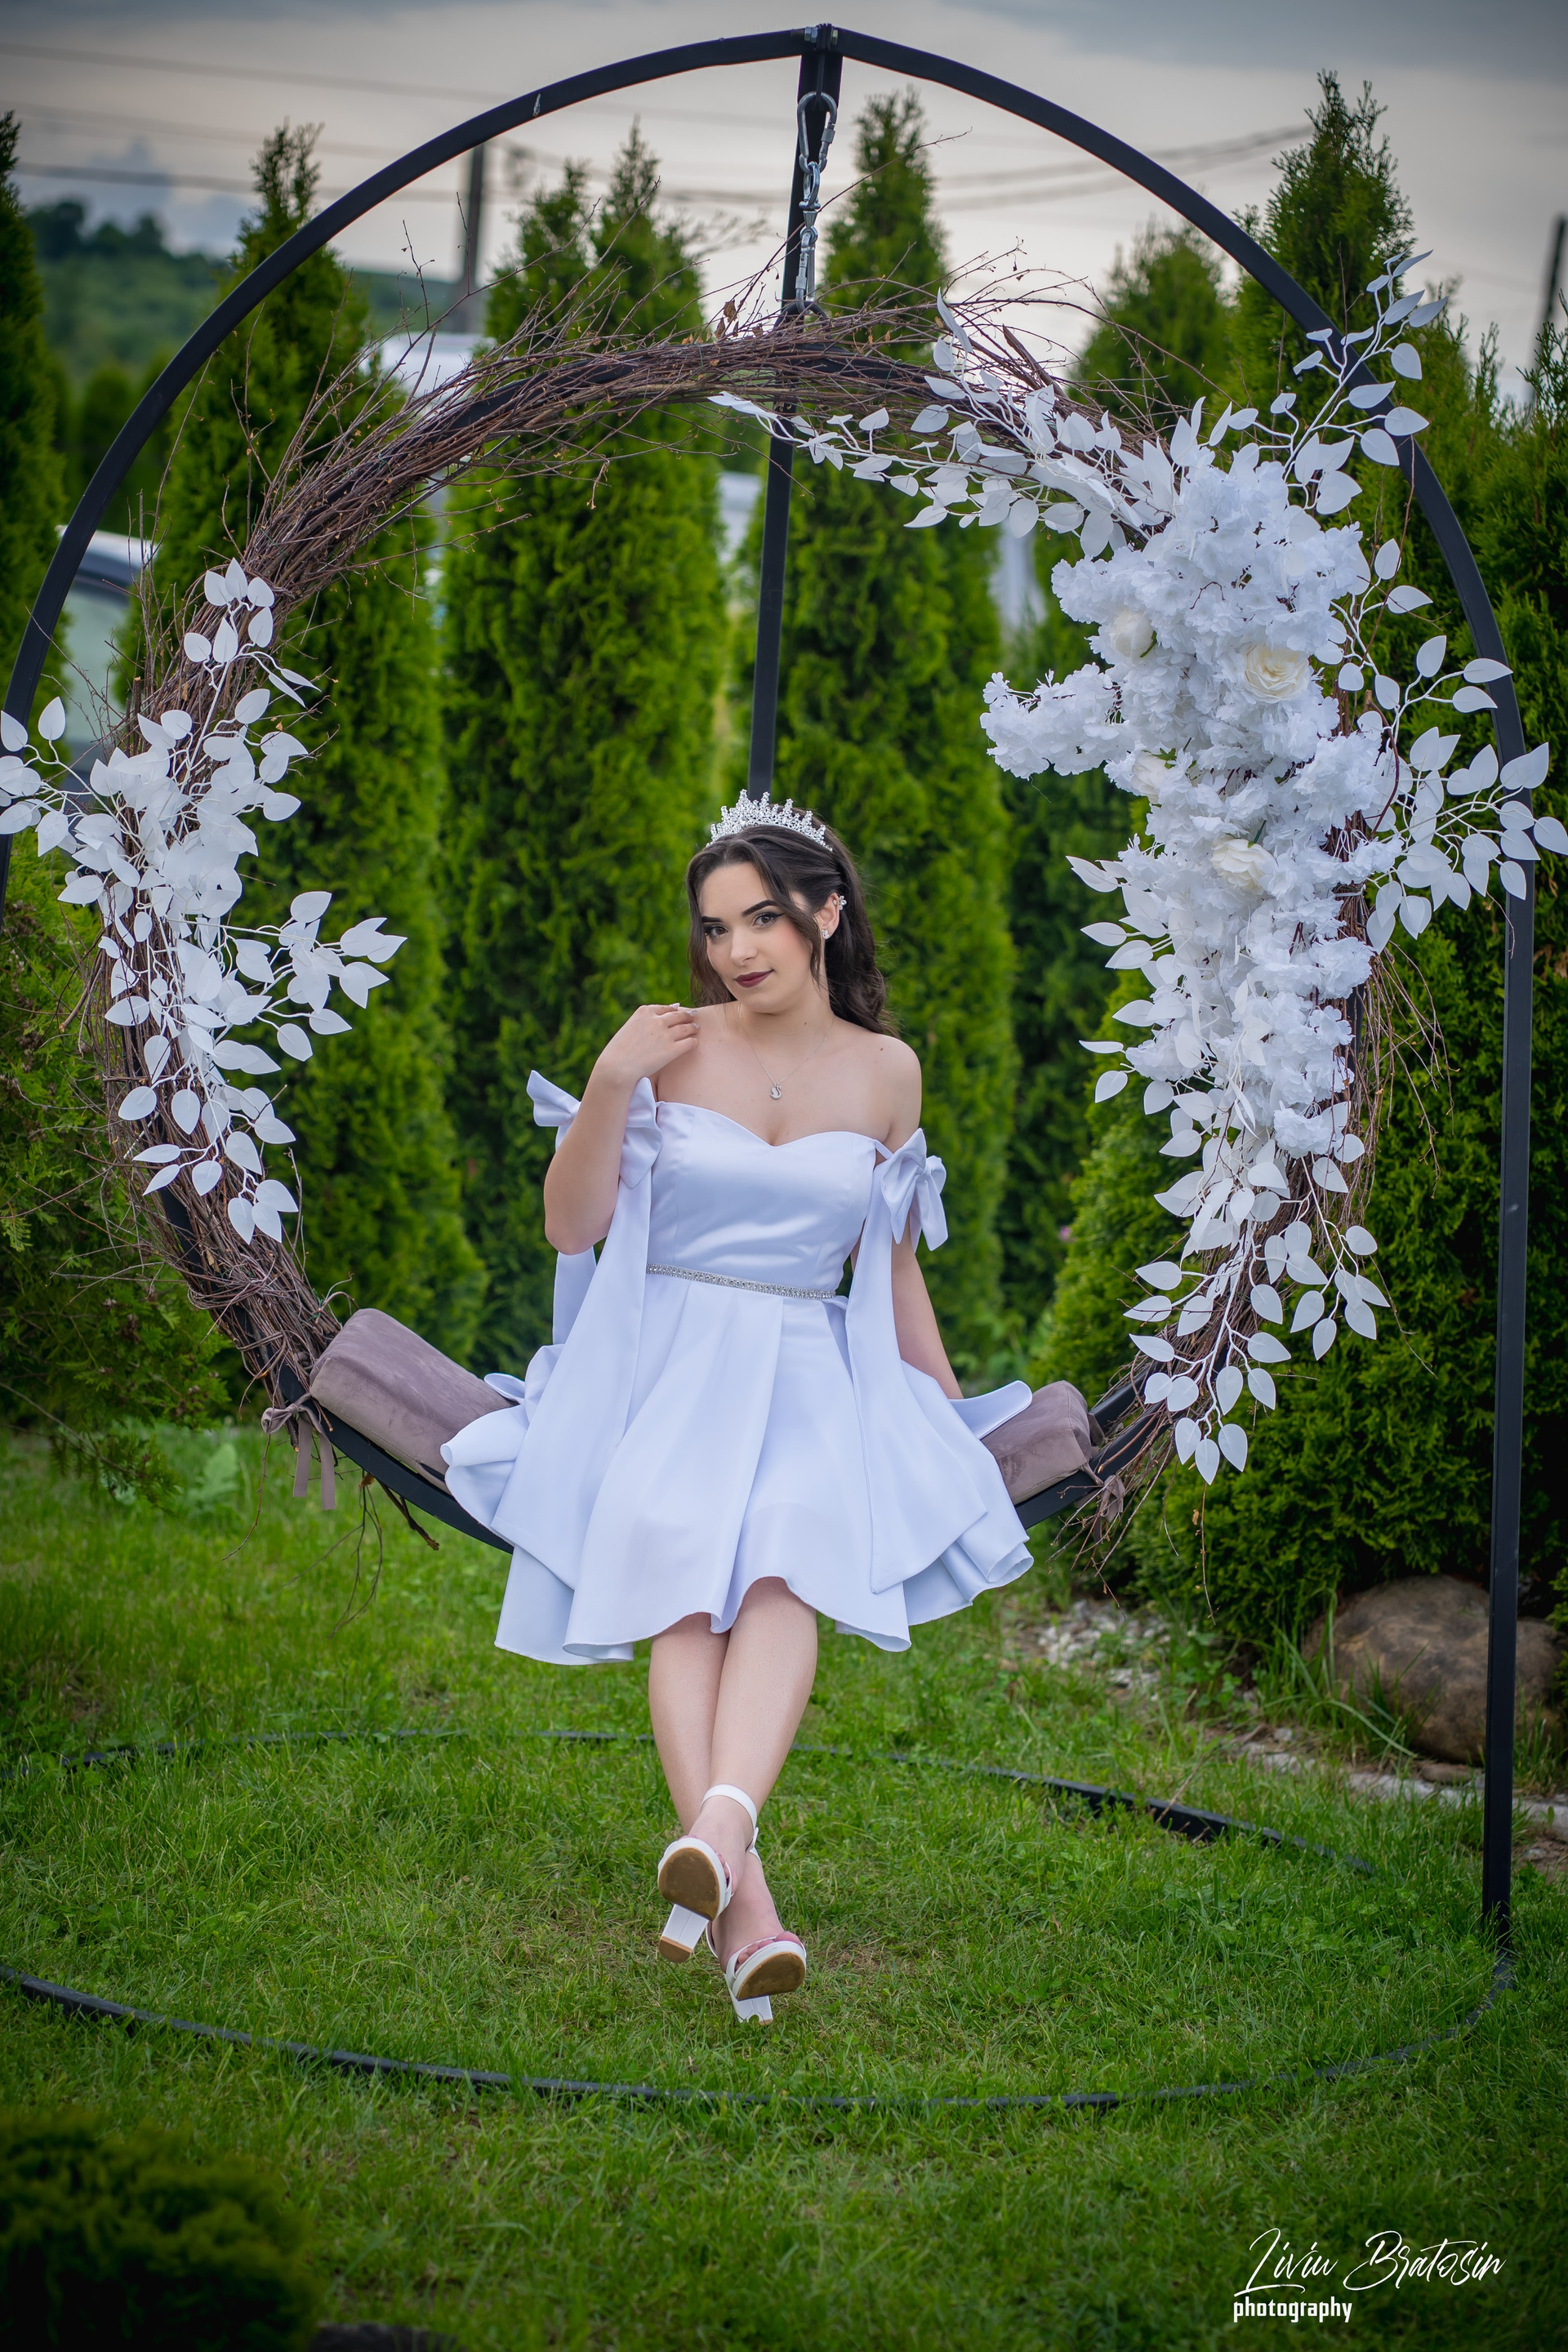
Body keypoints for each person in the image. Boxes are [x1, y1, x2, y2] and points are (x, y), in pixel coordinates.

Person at [443, 795, 1035, 2020]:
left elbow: (892, 1266)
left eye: (761, 918)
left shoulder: (889, 1072)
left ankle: (717, 1840)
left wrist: (945, 1413)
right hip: (663, 1357)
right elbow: (571, 1227)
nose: (736, 951)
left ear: (826, 914)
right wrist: (610, 1082)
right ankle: (745, 1900)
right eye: (715, 929)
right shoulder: (666, 1048)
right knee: (682, 1577)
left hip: (807, 1366)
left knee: (783, 1565)